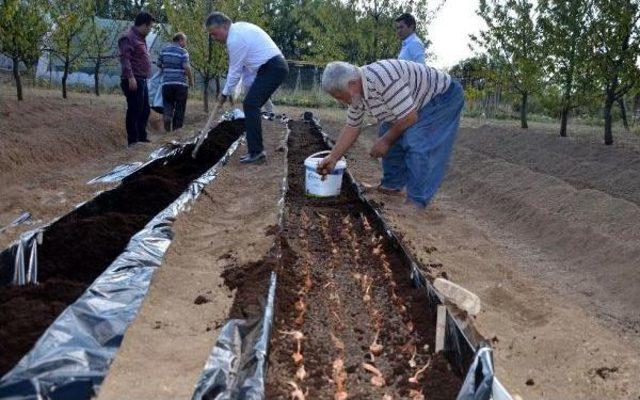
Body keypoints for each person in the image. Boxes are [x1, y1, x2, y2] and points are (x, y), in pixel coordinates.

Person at [317, 60, 464, 209]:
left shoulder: (382, 78)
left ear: (352, 84)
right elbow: (352, 126)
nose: (341, 101)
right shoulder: (356, 94)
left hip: (441, 97)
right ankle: (392, 185)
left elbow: (409, 117)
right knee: (387, 130)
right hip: (410, 103)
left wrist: (386, 141)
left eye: (340, 96)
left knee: (417, 142)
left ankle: (417, 200)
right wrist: (333, 157)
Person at [206, 12, 288, 164]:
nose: (214, 38)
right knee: (251, 103)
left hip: (273, 67)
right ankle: (256, 151)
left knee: (250, 104)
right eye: (211, 35)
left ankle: (256, 152)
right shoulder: (239, 31)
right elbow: (246, 70)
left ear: (224, 26)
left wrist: (223, 94)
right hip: (271, 67)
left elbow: (234, 72)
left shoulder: (235, 39)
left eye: (215, 34)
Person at [118, 11, 155, 146]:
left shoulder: (140, 38)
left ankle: (141, 136)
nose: (150, 30)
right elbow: (125, 59)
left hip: (142, 79)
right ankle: (133, 140)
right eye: (150, 27)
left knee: (145, 110)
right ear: (144, 25)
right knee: (134, 110)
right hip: (133, 79)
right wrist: (130, 77)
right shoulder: (128, 37)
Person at [158, 32, 194, 132]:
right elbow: (186, 67)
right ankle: (176, 131)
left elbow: (159, 64)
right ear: (180, 40)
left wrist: (167, 69)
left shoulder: (164, 50)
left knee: (168, 103)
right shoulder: (183, 52)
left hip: (167, 84)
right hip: (180, 84)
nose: (185, 44)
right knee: (180, 107)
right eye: (185, 41)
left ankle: (167, 117)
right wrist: (191, 80)